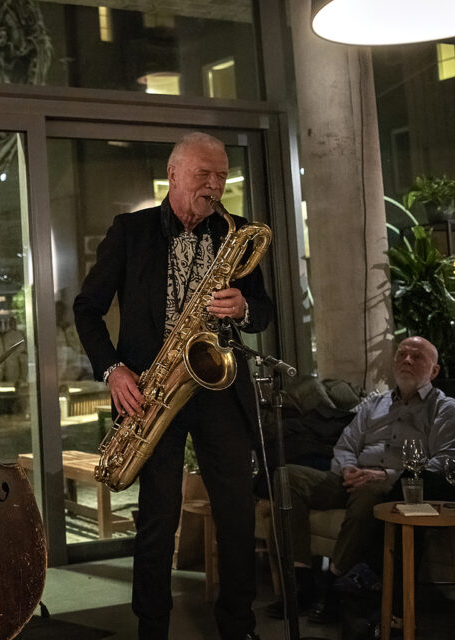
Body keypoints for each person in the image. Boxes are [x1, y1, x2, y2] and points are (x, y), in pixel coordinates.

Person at [74, 132, 274, 640]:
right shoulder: (131, 231)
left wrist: (243, 309)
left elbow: (263, 311)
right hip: (152, 391)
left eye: (221, 176)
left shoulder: (235, 233)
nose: (215, 186)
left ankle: (238, 626)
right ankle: (152, 627)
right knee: (157, 520)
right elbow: (87, 309)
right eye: (204, 175)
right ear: (174, 174)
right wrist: (113, 369)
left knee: (236, 514)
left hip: (218, 388)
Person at [266, 336, 455, 623]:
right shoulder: (374, 404)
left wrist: (388, 475)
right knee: (286, 477)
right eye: (402, 354)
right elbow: (346, 445)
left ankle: (335, 585)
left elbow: (445, 459)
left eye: (417, 357)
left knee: (369, 495)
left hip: (392, 485)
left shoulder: (444, 408)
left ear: (435, 371)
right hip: (351, 477)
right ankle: (301, 580)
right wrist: (348, 468)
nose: (407, 360)